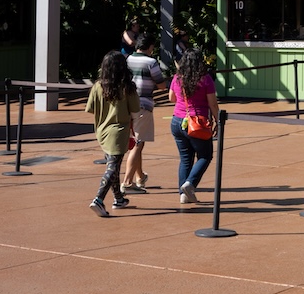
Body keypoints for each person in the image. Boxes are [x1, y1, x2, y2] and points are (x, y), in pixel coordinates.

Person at [85, 51, 140, 217]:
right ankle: (98, 199)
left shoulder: (97, 86)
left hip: (102, 131)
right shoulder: (127, 87)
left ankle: (118, 198)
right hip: (119, 131)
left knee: (113, 164)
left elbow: (91, 109)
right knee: (113, 166)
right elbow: (136, 112)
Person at [169, 47, 220, 205]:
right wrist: (218, 121)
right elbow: (212, 103)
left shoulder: (178, 77)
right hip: (197, 122)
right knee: (205, 156)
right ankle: (190, 184)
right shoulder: (205, 79)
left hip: (177, 120)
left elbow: (171, 98)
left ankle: (183, 194)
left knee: (185, 159)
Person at [120, 31, 167, 194]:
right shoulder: (151, 62)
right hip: (143, 105)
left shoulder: (127, 59)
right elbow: (161, 85)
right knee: (138, 144)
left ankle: (140, 177)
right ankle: (127, 182)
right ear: (151, 47)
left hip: (127, 105)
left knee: (135, 142)